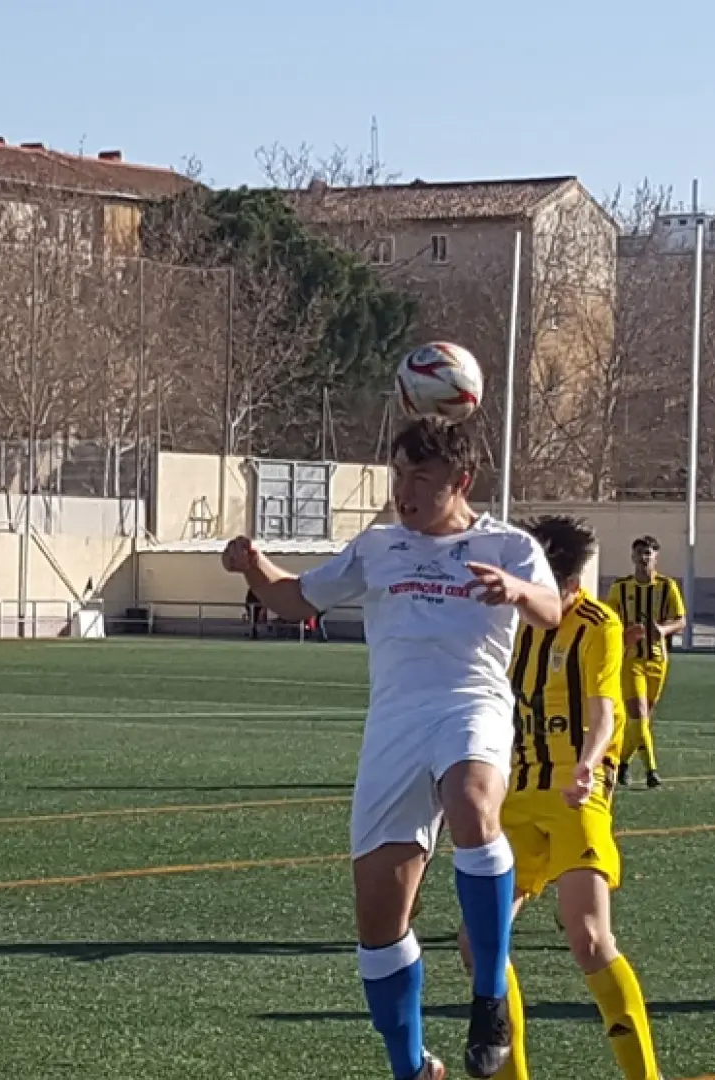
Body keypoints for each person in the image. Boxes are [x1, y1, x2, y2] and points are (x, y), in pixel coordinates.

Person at [224, 418, 561, 1080]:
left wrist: (517, 591)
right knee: (379, 924)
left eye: (421, 479)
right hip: (394, 728)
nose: (404, 491)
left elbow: (550, 607)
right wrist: (254, 565)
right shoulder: (378, 546)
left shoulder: (507, 543)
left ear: (460, 481)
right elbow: (299, 597)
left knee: (471, 804)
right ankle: (412, 1069)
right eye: (398, 475)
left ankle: (488, 995)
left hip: (471, 706)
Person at [458, 515, 662, 1080]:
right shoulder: (510, 624)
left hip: (578, 794)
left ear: (566, 582)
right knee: (477, 941)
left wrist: (591, 766)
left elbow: (602, 710)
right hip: (519, 794)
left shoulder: (599, 624)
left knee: (589, 936)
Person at [604, 537, 686, 788]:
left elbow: (681, 620)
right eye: (639, 553)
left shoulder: (667, 586)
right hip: (630, 661)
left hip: (657, 662)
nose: (643, 558)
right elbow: (608, 621)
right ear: (632, 557)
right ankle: (652, 771)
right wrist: (623, 634)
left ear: (656, 557)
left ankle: (622, 763)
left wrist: (662, 630)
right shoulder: (620, 588)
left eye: (648, 553)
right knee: (638, 715)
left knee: (642, 722)